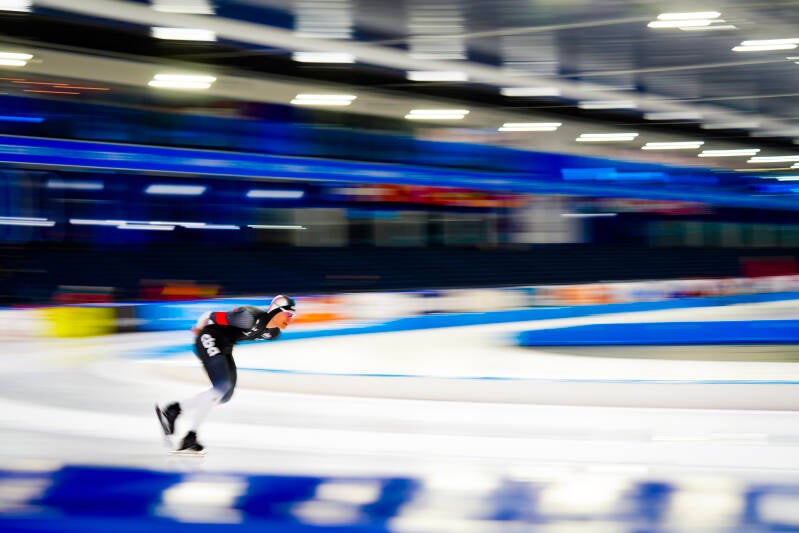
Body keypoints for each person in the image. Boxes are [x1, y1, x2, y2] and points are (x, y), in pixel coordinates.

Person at [155, 294, 297, 454]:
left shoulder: (273, 334)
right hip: (208, 337)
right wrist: (198, 329)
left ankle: (181, 423)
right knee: (222, 386)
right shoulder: (248, 317)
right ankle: (180, 421)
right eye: (288, 314)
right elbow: (209, 315)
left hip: (225, 346)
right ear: (276, 310)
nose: (290, 319)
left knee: (224, 395)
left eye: (293, 316)